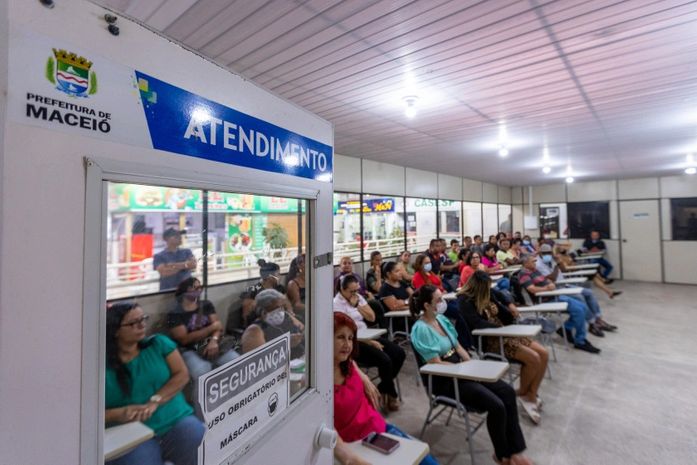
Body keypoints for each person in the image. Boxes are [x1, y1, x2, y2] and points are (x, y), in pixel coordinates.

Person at [409, 286, 532, 465]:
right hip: (444, 379)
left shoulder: (442, 320)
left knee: (507, 392)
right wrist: (464, 372)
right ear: (427, 305)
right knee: (496, 406)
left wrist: (473, 366)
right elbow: (434, 363)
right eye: (439, 300)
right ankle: (502, 455)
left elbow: (458, 347)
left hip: (461, 369)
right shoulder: (420, 329)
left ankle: (516, 451)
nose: (443, 303)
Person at [332, 312, 440, 465]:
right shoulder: (320, 385)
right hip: (356, 444)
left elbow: (351, 360)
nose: (348, 345)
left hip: (376, 428)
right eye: (340, 337)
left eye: (350, 338)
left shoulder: (347, 363)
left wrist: (364, 377)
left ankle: (386, 390)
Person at [106, 302, 204, 465]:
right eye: (133, 323)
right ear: (115, 330)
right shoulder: (100, 367)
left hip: (173, 418)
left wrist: (155, 400)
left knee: (198, 441)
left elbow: (181, 375)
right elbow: (85, 414)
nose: (141, 325)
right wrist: (120, 413)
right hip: (128, 432)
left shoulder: (158, 344)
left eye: (143, 318)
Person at [458, 271, 549, 424]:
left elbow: (501, 300)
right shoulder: (465, 301)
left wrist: (509, 308)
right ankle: (528, 396)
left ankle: (528, 393)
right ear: (477, 287)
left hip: (507, 333)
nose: (489, 290)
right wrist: (499, 328)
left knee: (543, 354)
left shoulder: (488, 293)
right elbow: (477, 323)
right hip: (492, 340)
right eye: (486, 288)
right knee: (533, 359)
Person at [334, 275, 405, 411]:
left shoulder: (358, 299)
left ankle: (383, 387)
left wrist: (357, 306)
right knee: (385, 360)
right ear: (342, 290)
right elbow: (343, 334)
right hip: (354, 343)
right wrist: (369, 341)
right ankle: (391, 394)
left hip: (368, 335)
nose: (355, 294)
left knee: (399, 353)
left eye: (357, 290)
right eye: (351, 291)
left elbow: (371, 317)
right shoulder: (336, 304)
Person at [167, 278, 240, 396]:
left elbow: (218, 327)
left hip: (211, 343)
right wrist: (210, 328)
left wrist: (214, 340)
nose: (199, 290)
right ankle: (202, 402)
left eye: (200, 287)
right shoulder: (175, 314)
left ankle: (230, 396)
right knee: (202, 371)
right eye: (195, 288)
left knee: (235, 361)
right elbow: (184, 339)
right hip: (189, 349)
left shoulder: (206, 305)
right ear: (185, 291)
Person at [518, 254, 600, 354]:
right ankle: (580, 341)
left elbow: (546, 280)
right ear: (526, 263)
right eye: (532, 261)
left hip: (554, 294)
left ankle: (566, 328)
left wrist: (550, 283)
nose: (535, 263)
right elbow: (532, 289)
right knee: (578, 310)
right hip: (544, 300)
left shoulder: (534, 270)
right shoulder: (523, 274)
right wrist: (546, 288)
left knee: (582, 307)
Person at [535, 245, 617, 337]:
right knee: (579, 297)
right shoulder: (538, 264)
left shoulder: (552, 259)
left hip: (564, 284)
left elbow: (564, 270)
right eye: (545, 253)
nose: (548, 255)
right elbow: (552, 278)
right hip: (555, 288)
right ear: (540, 253)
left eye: (549, 252)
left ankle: (598, 319)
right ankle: (592, 323)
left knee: (589, 293)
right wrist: (556, 265)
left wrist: (559, 262)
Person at [241, 289, 305, 359]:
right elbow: (257, 361)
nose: (281, 310)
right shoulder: (254, 330)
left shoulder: (286, 316)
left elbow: (302, 329)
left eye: (283, 306)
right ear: (263, 311)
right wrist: (286, 344)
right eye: (277, 307)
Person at [556, 244, 622, 299]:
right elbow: (565, 268)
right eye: (562, 249)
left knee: (594, 275)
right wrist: (574, 265)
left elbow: (572, 262)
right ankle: (606, 285)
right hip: (572, 274)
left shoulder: (567, 255)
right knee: (594, 274)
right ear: (559, 251)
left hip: (576, 270)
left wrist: (573, 264)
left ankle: (609, 291)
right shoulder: (560, 257)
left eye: (564, 248)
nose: (565, 249)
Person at [238, 259, 286, 329]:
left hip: (280, 323)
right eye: (278, 274)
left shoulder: (280, 288)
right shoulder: (253, 291)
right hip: (261, 327)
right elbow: (246, 317)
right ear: (270, 277)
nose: (280, 276)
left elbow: (285, 307)